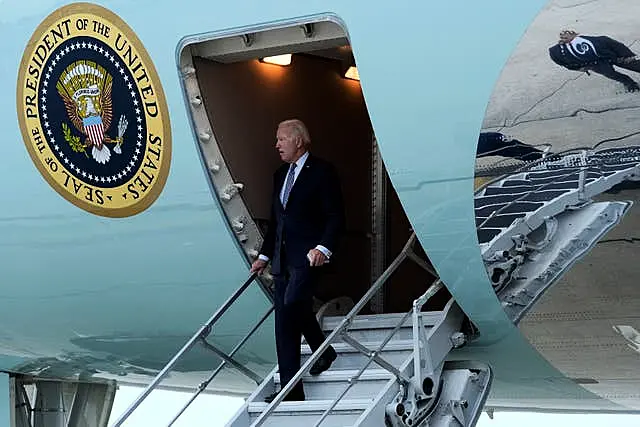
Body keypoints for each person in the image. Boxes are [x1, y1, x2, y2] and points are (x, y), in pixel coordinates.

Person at [250, 119, 345, 402]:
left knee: (292, 305)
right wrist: (264, 257)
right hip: (281, 259)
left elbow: (335, 216)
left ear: (298, 141)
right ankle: (292, 389)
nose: (276, 144)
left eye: (281, 139)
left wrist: (324, 247)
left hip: (308, 257)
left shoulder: (323, 172)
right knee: (284, 324)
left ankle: (322, 350)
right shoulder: (280, 174)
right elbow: (276, 220)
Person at [549, 30, 640, 92]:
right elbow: (564, 63)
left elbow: (616, 45)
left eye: (567, 35)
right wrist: (578, 68)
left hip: (612, 55)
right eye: (563, 37)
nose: (565, 38)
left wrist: (628, 55)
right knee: (611, 74)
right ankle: (630, 84)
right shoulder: (556, 52)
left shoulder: (598, 41)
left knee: (632, 65)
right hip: (595, 63)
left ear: (575, 34)